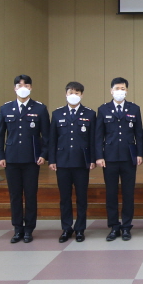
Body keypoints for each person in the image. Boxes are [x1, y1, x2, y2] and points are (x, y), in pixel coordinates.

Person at [0, 74, 50, 243]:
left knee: (31, 194)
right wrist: (0, 156)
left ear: (31, 88)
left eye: (26, 85)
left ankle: (29, 229)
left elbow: (46, 136)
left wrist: (44, 154)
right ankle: (17, 228)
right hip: (11, 159)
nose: (23, 88)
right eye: (19, 85)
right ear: (14, 88)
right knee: (15, 195)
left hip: (32, 159)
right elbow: (0, 135)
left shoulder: (40, 108)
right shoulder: (6, 108)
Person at [95, 77, 143, 241]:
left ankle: (126, 226)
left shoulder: (134, 108)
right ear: (111, 91)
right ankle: (114, 226)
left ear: (127, 91)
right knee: (111, 193)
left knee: (128, 193)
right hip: (109, 158)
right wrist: (99, 156)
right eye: (117, 88)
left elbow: (139, 134)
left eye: (123, 88)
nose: (120, 91)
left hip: (129, 157)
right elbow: (98, 135)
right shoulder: (103, 109)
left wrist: (140, 154)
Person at [48, 82, 96, 243]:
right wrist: (52, 159)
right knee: (65, 198)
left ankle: (80, 229)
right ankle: (66, 228)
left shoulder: (90, 114)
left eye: (77, 92)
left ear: (82, 95)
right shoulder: (57, 114)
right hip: (62, 162)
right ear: (66, 94)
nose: (73, 95)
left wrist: (92, 159)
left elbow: (93, 139)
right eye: (70, 92)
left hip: (82, 162)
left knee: (82, 197)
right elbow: (52, 139)